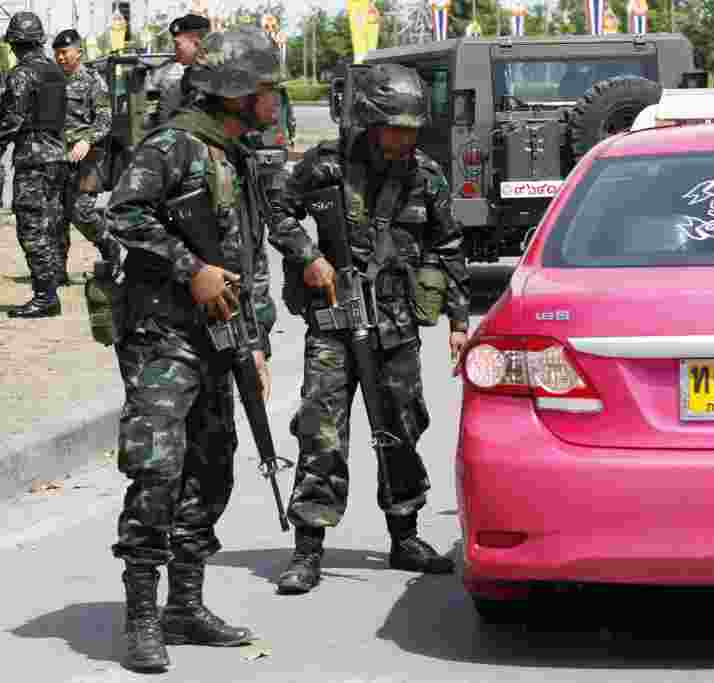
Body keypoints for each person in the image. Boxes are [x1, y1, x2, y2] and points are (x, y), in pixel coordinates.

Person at [105, 24, 289, 672]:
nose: (275, 99)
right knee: (158, 468)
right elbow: (122, 212)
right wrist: (190, 267)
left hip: (219, 341)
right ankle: (142, 616)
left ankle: (184, 604)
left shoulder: (239, 153)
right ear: (235, 92)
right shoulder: (175, 144)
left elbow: (249, 251)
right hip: (163, 336)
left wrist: (257, 341)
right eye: (266, 88)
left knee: (212, 469)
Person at [270, 63, 471, 594]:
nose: (405, 138)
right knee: (322, 431)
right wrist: (309, 256)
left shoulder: (425, 175)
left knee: (401, 429)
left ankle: (404, 536)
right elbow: (278, 212)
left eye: (411, 129)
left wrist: (457, 319)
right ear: (369, 121)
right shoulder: (326, 167)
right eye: (395, 128)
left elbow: (447, 247)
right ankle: (309, 547)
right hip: (335, 323)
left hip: (396, 325)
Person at [1, 12, 67, 318]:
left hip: (33, 159)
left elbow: (11, 120)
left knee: (31, 228)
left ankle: (45, 297)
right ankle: (50, 289)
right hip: (56, 155)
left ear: (15, 43)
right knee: (49, 224)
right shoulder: (54, 71)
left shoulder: (22, 74)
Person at [52, 28, 123, 286]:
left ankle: (109, 246)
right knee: (57, 214)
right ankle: (57, 271)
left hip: (88, 155)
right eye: (57, 54)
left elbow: (105, 119)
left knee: (81, 211)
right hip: (58, 156)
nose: (60, 58)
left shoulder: (93, 81)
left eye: (64, 53)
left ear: (78, 53)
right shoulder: (52, 81)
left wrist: (86, 140)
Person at [145, 13, 210, 128]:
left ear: (197, 43)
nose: (175, 51)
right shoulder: (187, 78)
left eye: (177, 44)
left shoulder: (215, 78)